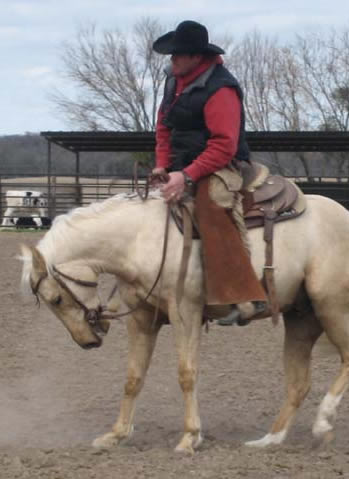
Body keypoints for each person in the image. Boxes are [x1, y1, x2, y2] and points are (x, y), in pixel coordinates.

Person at [152, 20, 268, 326]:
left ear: (196, 56)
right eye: (171, 54)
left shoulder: (221, 88)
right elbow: (164, 127)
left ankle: (245, 294)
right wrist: (162, 165)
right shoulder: (172, 81)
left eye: (178, 54)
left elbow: (224, 145)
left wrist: (186, 175)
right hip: (182, 164)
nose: (172, 59)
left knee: (212, 203)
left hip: (222, 165)